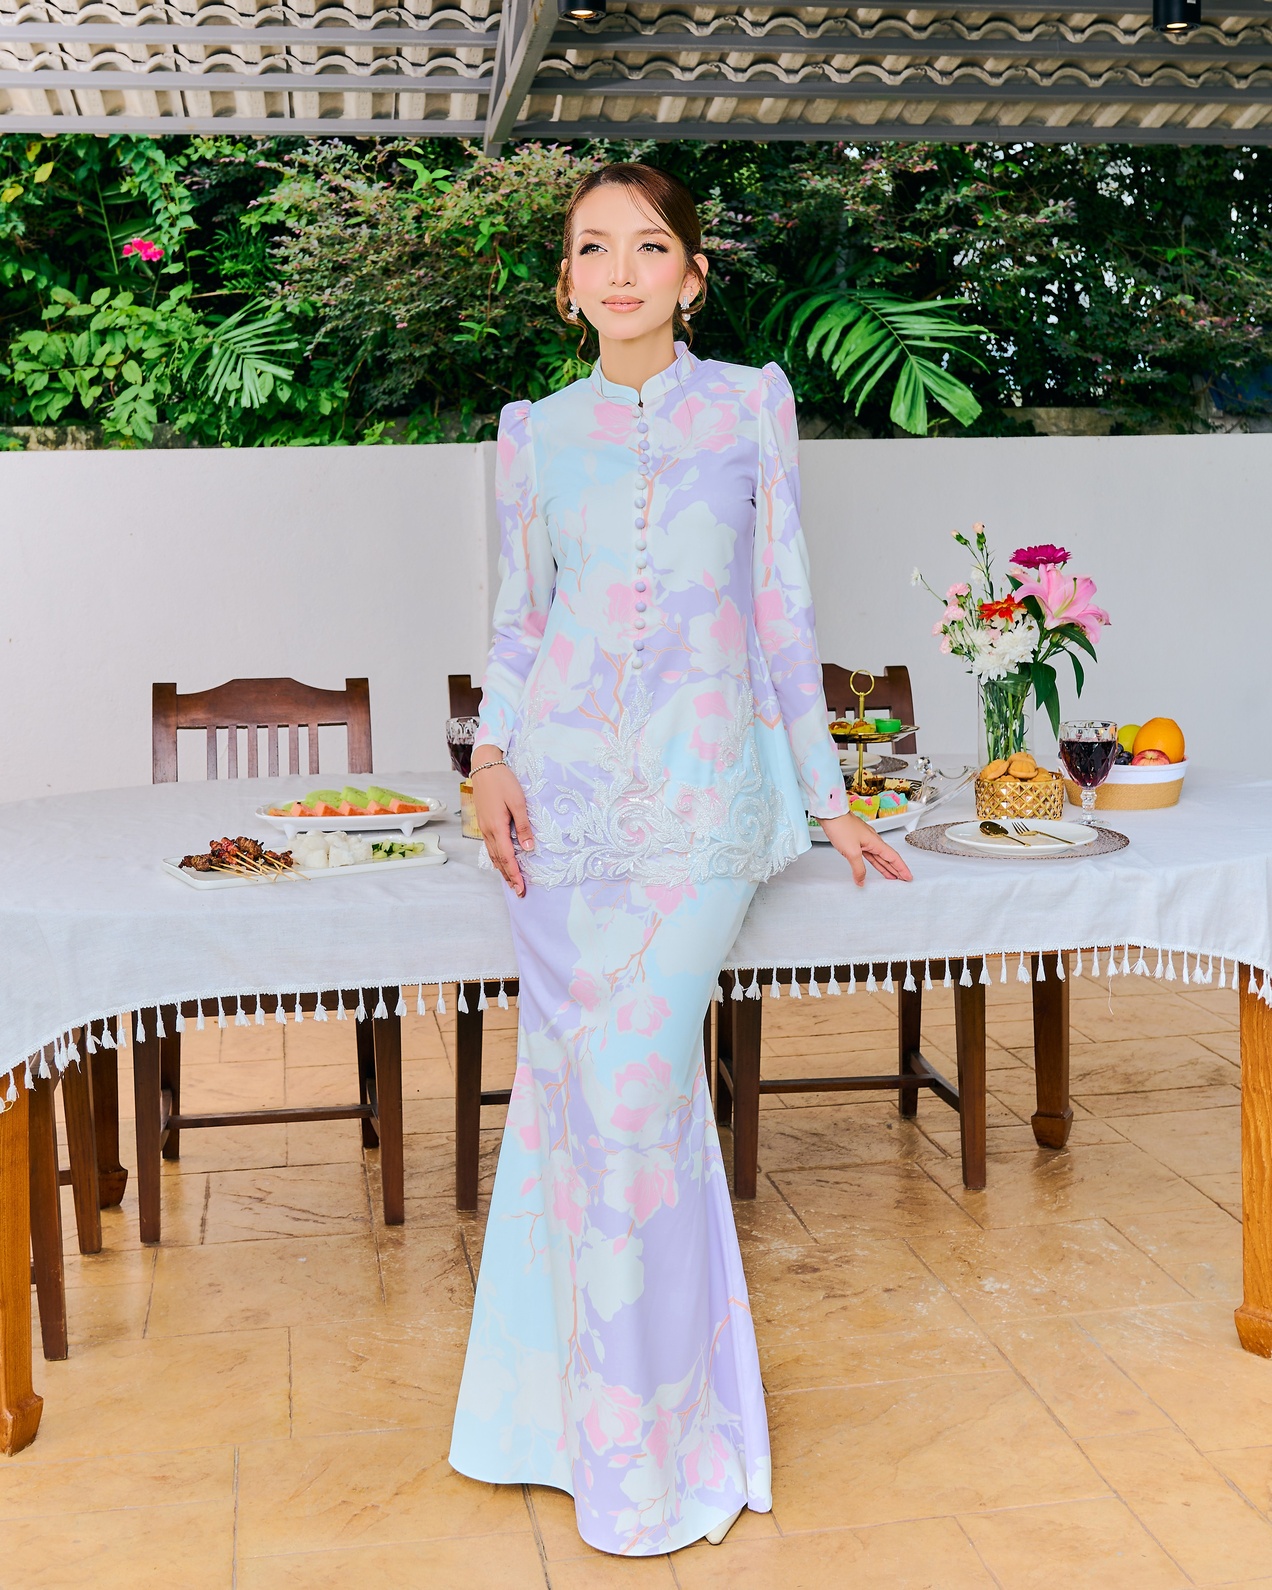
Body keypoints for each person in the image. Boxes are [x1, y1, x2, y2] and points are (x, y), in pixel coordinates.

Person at [448, 162, 912, 1557]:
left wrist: (827, 798)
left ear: (692, 275)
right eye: (593, 248)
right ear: (566, 283)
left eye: (649, 247)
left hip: (706, 806)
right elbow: (522, 622)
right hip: (563, 813)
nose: (621, 270)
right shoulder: (532, 434)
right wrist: (488, 757)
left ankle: (657, 1447)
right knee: (574, 1105)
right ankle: (554, 1426)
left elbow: (783, 612)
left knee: (640, 1091)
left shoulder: (752, 406)